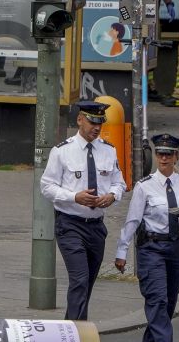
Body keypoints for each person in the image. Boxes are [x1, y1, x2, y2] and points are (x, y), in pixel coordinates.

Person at [114, 134, 179, 342]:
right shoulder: (145, 186)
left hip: (177, 246)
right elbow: (132, 221)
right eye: (160, 153)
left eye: (169, 154)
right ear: (155, 156)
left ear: (176, 157)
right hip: (151, 247)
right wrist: (121, 251)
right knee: (157, 297)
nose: (164, 158)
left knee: (171, 298)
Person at [39, 101, 125, 321]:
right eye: (92, 122)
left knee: (87, 282)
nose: (96, 127)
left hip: (96, 227)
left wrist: (112, 196)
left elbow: (119, 182)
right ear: (79, 120)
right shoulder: (62, 152)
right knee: (79, 278)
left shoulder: (108, 150)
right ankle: (76, 331)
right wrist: (74, 197)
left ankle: (71, 326)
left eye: (100, 122)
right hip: (70, 224)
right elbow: (46, 186)